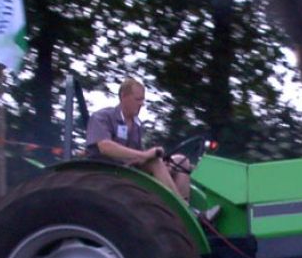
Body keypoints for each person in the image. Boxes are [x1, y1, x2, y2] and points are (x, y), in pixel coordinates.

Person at [86, 77, 217, 220]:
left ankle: (179, 213)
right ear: (123, 96)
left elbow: (136, 157)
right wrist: (144, 155)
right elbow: (105, 147)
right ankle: (188, 213)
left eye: (143, 100)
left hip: (129, 169)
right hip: (108, 172)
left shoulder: (137, 125)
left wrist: (152, 156)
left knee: (180, 161)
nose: (141, 104)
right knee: (154, 162)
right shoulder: (102, 117)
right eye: (138, 99)